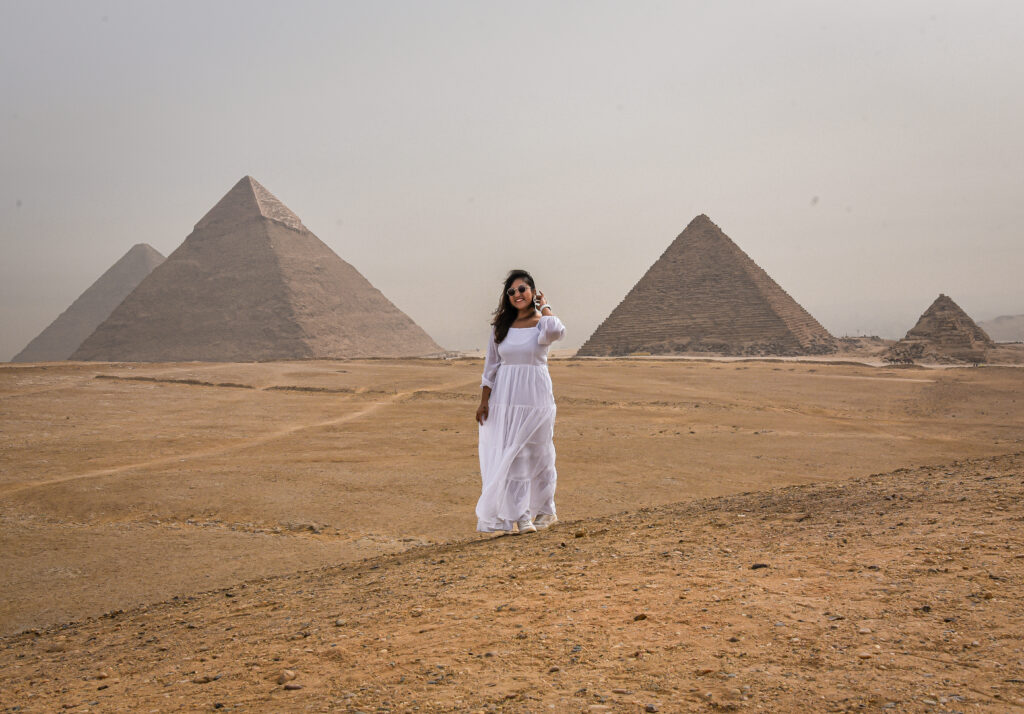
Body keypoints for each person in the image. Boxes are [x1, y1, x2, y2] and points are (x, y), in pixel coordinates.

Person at [475, 269, 565, 534]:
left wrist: (545, 305)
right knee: (515, 455)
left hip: (536, 395)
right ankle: (520, 515)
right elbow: (491, 365)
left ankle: (546, 511)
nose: (517, 295)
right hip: (506, 397)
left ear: (532, 291)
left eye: (522, 289)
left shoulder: (541, 323)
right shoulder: (500, 327)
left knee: (540, 452)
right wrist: (484, 401)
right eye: (511, 291)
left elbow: (557, 330)